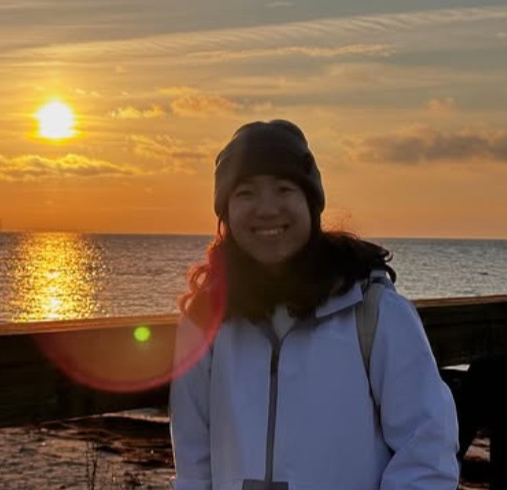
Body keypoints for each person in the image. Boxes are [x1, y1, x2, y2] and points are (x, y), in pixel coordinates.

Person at [169, 120, 459, 490]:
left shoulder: (373, 311)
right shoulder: (204, 320)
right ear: (225, 212)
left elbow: (427, 449)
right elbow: (194, 466)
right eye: (245, 193)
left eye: (284, 188)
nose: (267, 209)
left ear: (311, 202)